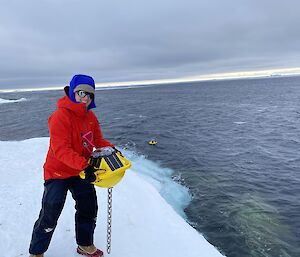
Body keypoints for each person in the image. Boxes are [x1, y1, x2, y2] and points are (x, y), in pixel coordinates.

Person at [29, 74, 114, 257]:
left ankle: (84, 244)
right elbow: (61, 149)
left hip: (81, 171)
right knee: (50, 213)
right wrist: (85, 166)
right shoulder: (60, 116)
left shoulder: (90, 116)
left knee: (88, 208)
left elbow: (97, 139)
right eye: (81, 92)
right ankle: (37, 252)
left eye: (89, 94)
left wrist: (112, 150)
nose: (85, 98)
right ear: (72, 92)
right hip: (58, 172)